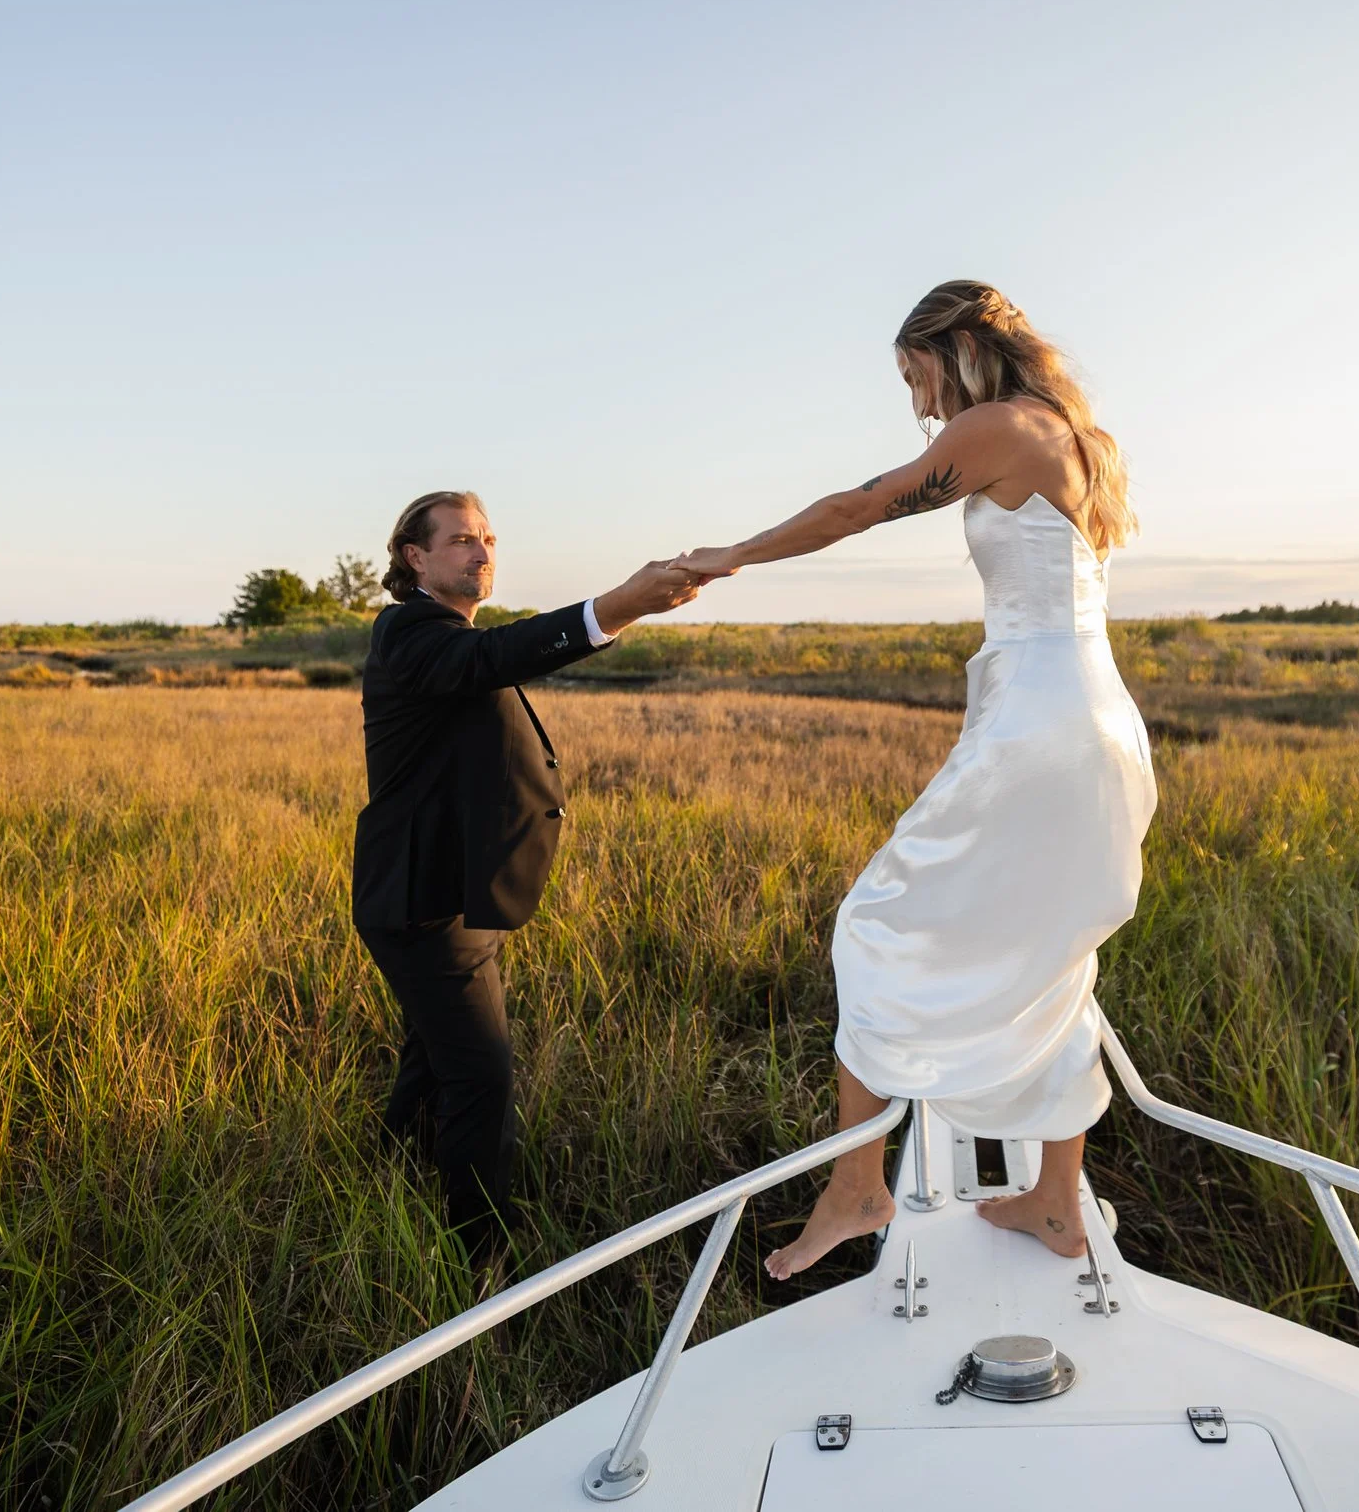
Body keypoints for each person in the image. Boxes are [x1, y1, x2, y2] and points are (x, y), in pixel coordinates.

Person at [672, 281, 1156, 1278]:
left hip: (1041, 725)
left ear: (958, 347)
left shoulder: (996, 424)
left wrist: (731, 556)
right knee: (1052, 948)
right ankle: (1055, 1203)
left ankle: (857, 1187)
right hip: (1095, 716)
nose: (919, 405)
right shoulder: (1075, 436)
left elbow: (859, 506)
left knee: (875, 921)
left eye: (914, 374)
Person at [353, 490, 707, 1258]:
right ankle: (479, 1260)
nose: (482, 553)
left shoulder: (440, 633)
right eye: (460, 541)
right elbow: (491, 659)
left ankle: (386, 1178)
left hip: (448, 895)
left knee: (433, 1055)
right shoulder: (411, 631)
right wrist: (615, 607)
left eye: (487, 538)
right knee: (481, 1077)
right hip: (424, 907)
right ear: (415, 557)